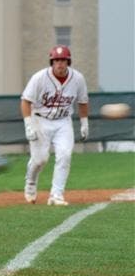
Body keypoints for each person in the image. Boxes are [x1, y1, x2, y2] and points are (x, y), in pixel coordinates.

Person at [21, 45, 89, 205]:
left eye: (63, 60)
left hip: (63, 121)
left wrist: (84, 123)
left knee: (64, 156)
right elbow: (25, 101)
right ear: (52, 62)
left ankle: (56, 195)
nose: (60, 63)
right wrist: (28, 124)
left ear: (68, 62)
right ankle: (30, 182)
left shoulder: (78, 78)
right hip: (40, 119)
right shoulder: (39, 77)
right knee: (40, 160)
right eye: (57, 60)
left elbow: (83, 101)